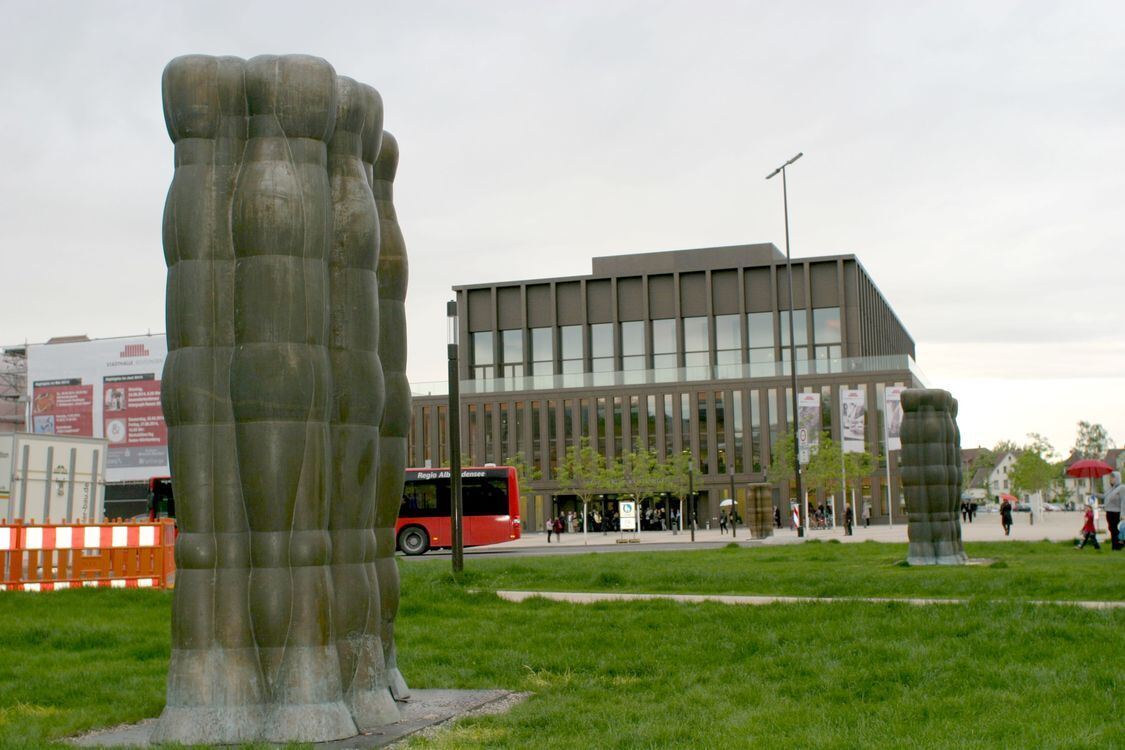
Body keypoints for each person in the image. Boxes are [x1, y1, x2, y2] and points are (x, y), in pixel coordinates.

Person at [1093, 471, 1124, 551]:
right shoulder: (1110, 489)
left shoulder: (1121, 488)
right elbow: (1104, 496)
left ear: (1117, 478)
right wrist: (1095, 494)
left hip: (1117, 512)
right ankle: (1116, 546)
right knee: (1111, 529)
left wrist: (1123, 513)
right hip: (1109, 512)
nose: (1111, 479)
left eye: (1113, 477)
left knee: (1116, 530)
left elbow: (1123, 501)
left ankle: (1116, 547)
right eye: (1110, 477)